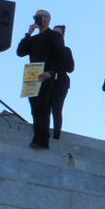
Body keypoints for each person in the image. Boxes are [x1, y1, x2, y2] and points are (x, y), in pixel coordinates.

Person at [15, 9, 66, 150]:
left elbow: (61, 57)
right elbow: (20, 52)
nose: (37, 19)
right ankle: (37, 137)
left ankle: (43, 139)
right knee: (35, 108)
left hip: (46, 76)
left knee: (43, 107)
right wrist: (28, 33)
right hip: (32, 76)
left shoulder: (54, 36)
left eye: (40, 17)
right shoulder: (34, 39)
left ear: (47, 19)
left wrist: (51, 72)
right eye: (35, 17)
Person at [49, 25, 75, 140]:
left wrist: (57, 64)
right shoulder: (46, 49)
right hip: (46, 80)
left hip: (60, 82)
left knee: (57, 108)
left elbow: (70, 67)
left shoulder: (66, 50)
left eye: (58, 33)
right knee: (44, 107)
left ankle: (56, 134)